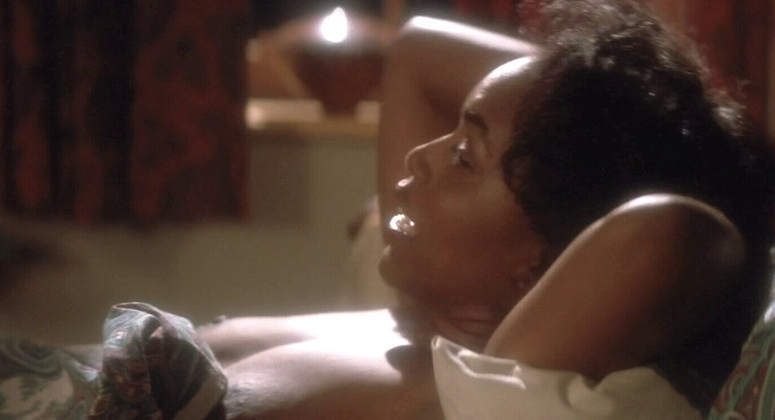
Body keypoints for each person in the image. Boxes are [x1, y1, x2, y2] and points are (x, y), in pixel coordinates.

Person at [198, 0, 775, 418]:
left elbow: (676, 231)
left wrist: (692, 138)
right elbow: (419, 49)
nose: (418, 159)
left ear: (541, 263)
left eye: (463, 158)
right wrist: (581, 86)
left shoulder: (500, 383)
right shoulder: (427, 311)